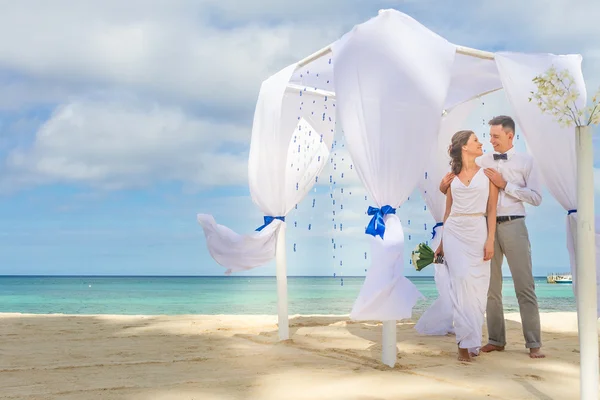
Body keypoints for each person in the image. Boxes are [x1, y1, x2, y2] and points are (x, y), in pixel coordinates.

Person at [439, 115, 545, 359]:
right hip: (483, 228)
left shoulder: (527, 162)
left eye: (495, 136)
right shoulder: (482, 157)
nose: (490, 141)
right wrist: (443, 187)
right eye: (488, 136)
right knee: (489, 287)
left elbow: (537, 198)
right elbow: (458, 179)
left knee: (524, 286)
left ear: (510, 135)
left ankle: (534, 343)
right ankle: (496, 339)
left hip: (514, 225)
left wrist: (505, 184)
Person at [434, 129, 499, 362]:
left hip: (478, 232)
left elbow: (492, 210)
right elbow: (447, 211)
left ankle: (472, 340)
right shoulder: (451, 178)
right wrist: (441, 243)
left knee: (477, 291)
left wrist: (490, 239)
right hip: (454, 233)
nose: (481, 143)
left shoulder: (489, 175)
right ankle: (463, 345)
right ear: (464, 147)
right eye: (475, 140)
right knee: (460, 284)